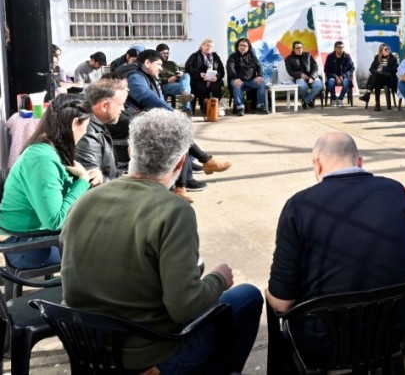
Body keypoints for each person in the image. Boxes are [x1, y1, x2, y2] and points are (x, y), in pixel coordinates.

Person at [61, 109, 262, 374]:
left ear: (131, 150)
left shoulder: (84, 200)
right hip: (147, 357)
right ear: (180, 163)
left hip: (87, 348)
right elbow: (184, 306)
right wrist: (218, 280)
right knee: (247, 297)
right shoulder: (173, 211)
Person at [266, 132, 405, 365]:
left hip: (324, 342)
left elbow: (282, 301)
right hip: (392, 330)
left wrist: (270, 295)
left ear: (317, 165)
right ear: (360, 162)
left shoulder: (299, 206)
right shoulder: (396, 191)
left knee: (272, 302)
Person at [0, 94, 96, 269]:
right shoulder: (41, 158)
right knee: (108, 249)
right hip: (26, 247)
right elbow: (55, 220)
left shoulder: (48, 148)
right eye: (86, 127)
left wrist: (87, 176)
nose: (85, 133)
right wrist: (82, 181)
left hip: (35, 237)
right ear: (75, 123)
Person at [121, 50, 232, 200]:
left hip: (143, 117)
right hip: (131, 120)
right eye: (159, 64)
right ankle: (199, 168)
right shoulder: (135, 76)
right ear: (147, 63)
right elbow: (146, 97)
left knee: (179, 132)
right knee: (178, 131)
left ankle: (188, 179)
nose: (161, 68)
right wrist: (172, 112)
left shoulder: (144, 74)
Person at [75, 76, 129, 183]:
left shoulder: (97, 125)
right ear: (104, 106)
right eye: (120, 104)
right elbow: (93, 181)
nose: (123, 109)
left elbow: (109, 170)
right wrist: (126, 181)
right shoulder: (87, 133)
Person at [227, 38, 268, 116]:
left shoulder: (252, 56)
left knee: (261, 82)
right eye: (241, 45)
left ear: (248, 47)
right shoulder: (232, 56)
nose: (243, 47)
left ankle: (260, 106)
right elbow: (230, 68)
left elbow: (259, 66)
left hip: (251, 81)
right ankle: (240, 108)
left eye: (245, 46)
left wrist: (259, 76)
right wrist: (236, 78)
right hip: (238, 80)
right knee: (237, 84)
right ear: (237, 46)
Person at [185, 39, 225, 117]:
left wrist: (217, 77)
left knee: (216, 87)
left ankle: (216, 107)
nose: (209, 48)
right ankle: (205, 109)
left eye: (211, 46)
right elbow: (188, 68)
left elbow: (221, 70)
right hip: (199, 79)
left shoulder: (215, 56)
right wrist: (199, 74)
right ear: (201, 46)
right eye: (207, 45)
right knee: (201, 87)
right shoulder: (195, 56)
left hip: (213, 79)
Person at [359, 43, 400, 111]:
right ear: (381, 51)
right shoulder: (377, 58)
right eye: (385, 49)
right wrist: (377, 70)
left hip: (389, 78)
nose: (387, 50)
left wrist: (383, 69)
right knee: (377, 81)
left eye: (388, 49)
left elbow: (394, 70)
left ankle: (368, 94)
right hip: (379, 79)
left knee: (377, 75)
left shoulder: (393, 58)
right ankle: (377, 104)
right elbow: (371, 69)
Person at [285, 41, 323, 109]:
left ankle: (305, 100)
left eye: (301, 47)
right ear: (293, 49)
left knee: (319, 85)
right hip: (299, 78)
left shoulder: (308, 55)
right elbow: (290, 71)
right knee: (303, 86)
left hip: (311, 76)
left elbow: (315, 66)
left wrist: (312, 77)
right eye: (297, 48)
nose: (300, 49)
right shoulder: (289, 59)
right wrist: (300, 75)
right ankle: (308, 100)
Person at [156, 43, 193, 113]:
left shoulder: (171, 63)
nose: (166, 55)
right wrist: (167, 80)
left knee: (186, 75)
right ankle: (186, 108)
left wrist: (180, 75)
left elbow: (178, 72)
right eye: (163, 53)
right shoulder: (156, 64)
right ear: (158, 53)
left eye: (167, 53)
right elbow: (155, 80)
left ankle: (184, 94)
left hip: (177, 84)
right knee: (187, 87)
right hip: (165, 86)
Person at [323, 41, 355, 107]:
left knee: (346, 82)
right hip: (333, 77)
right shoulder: (330, 57)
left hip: (344, 77)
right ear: (335, 48)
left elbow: (351, 68)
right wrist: (335, 76)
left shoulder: (347, 57)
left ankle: (340, 99)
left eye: (342, 47)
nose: (341, 49)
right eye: (339, 47)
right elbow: (326, 69)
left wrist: (343, 76)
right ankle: (334, 99)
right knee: (331, 82)